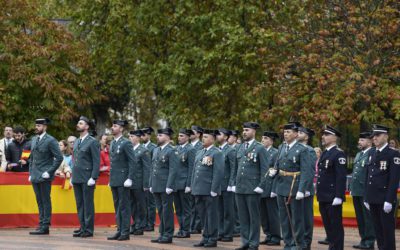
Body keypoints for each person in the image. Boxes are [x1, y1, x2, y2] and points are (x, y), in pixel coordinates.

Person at [268, 122, 312, 250]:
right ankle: (288, 243)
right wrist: (274, 171)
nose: (285, 134)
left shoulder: (302, 149)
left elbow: (306, 171)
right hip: (281, 186)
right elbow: (278, 163)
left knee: (297, 219)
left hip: (294, 186)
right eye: (285, 132)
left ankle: (299, 244)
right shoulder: (282, 147)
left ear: (296, 134)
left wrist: (301, 190)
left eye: (288, 132)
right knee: (284, 218)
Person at [364, 124, 400, 250]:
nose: (374, 138)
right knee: (378, 231)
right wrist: (366, 197)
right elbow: (369, 176)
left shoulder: (393, 154)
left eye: (378, 135)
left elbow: (394, 179)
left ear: (386, 136)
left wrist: (389, 200)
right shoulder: (372, 152)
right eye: (373, 136)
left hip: (385, 198)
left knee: (387, 231)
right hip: (373, 197)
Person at [234, 122, 268, 250]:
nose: (244, 132)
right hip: (240, 187)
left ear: (254, 132)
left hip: (253, 188)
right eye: (243, 130)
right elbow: (236, 168)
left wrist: (261, 185)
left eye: (247, 130)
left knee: (254, 217)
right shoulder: (240, 147)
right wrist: (233, 183)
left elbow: (265, 169)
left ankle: (254, 243)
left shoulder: (260, 148)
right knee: (243, 217)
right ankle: (245, 242)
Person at [28, 118, 63, 235]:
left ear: (45, 127)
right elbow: (31, 158)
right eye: (36, 125)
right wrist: (30, 172)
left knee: (45, 200)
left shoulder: (51, 140)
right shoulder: (34, 139)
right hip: (35, 174)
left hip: (44, 175)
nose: (36, 127)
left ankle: (45, 225)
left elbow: (59, 158)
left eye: (39, 126)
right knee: (39, 200)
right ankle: (41, 222)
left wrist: (50, 171)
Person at [316, 125, 347, 250]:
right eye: (323, 134)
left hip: (332, 196)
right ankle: (332, 247)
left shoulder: (338, 154)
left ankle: (337, 248)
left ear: (334, 138)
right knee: (328, 226)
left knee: (335, 226)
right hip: (323, 195)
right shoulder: (325, 153)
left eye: (326, 134)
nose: (323, 137)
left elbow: (341, 177)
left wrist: (339, 196)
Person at [192, 129, 224, 248]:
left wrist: (214, 189)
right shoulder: (200, 152)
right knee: (203, 215)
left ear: (212, 139)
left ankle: (212, 238)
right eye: (203, 137)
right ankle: (205, 237)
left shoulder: (217, 153)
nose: (203, 139)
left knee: (211, 215)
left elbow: (219, 172)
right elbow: (194, 172)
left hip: (209, 190)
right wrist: (193, 187)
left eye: (206, 137)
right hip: (199, 189)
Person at [71, 116, 100, 238]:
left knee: (88, 204)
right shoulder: (77, 141)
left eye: (81, 123)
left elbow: (96, 161)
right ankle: (82, 226)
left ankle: (88, 229)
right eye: (78, 123)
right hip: (77, 177)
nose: (78, 124)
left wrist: (93, 177)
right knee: (80, 204)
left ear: (87, 127)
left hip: (87, 177)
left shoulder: (92, 141)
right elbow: (75, 160)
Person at [107, 120, 135, 241]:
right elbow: (113, 163)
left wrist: (129, 178)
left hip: (123, 179)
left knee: (124, 206)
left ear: (121, 129)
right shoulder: (113, 143)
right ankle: (119, 230)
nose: (112, 128)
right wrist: (111, 178)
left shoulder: (126, 143)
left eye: (115, 126)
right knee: (117, 206)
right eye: (112, 125)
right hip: (115, 179)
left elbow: (132, 161)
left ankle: (125, 231)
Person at [149, 128, 178, 244]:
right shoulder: (156, 150)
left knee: (167, 210)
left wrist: (170, 185)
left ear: (167, 137)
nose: (158, 137)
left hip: (166, 185)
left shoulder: (171, 151)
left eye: (160, 135)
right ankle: (162, 233)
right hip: (156, 184)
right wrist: (151, 183)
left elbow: (173, 169)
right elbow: (152, 168)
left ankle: (168, 234)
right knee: (160, 210)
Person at [350, 132, 375, 249]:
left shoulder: (373, 153)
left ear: (370, 141)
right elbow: (356, 172)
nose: (359, 142)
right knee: (360, 217)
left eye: (362, 140)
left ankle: (369, 241)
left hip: (366, 191)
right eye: (359, 140)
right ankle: (363, 239)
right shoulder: (359, 154)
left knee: (368, 218)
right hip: (357, 190)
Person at [259, 131, 281, 246]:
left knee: (272, 214)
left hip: (270, 187)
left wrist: (274, 189)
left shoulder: (275, 152)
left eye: (265, 138)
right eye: (262, 138)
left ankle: (276, 237)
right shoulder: (260, 151)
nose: (262, 140)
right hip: (261, 188)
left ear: (271, 141)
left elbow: (276, 172)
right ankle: (268, 235)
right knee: (263, 215)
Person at [173, 128, 196, 238]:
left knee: (186, 209)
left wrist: (189, 184)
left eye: (182, 136)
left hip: (184, 182)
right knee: (178, 208)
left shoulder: (190, 149)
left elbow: (192, 167)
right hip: (176, 183)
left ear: (187, 137)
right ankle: (181, 229)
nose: (179, 138)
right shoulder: (176, 148)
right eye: (179, 136)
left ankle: (186, 230)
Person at [297, 126, 317, 250]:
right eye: (297, 132)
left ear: (307, 136)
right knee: (297, 217)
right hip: (295, 187)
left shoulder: (309, 150)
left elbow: (309, 171)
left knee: (306, 217)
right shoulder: (296, 149)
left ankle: (306, 242)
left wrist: (306, 189)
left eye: (301, 132)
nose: (298, 134)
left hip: (305, 189)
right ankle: (298, 240)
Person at [128, 129, 151, 236]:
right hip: (130, 182)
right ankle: (135, 223)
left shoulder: (143, 150)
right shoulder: (129, 149)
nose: (130, 138)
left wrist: (146, 184)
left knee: (141, 205)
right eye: (129, 137)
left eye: (132, 137)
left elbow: (147, 168)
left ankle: (140, 225)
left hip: (139, 182)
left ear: (137, 138)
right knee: (132, 204)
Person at [216, 128, 236, 242]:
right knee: (219, 210)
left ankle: (228, 234)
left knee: (228, 211)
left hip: (227, 184)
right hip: (218, 185)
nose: (217, 136)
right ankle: (221, 232)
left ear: (226, 137)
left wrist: (231, 183)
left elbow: (233, 168)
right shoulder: (217, 150)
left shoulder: (230, 150)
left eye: (220, 134)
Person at [140, 126, 157, 232]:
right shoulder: (140, 147)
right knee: (142, 203)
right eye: (141, 135)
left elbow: (153, 165)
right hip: (141, 178)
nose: (142, 137)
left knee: (151, 203)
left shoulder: (153, 147)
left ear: (149, 135)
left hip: (150, 178)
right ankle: (143, 222)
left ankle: (150, 223)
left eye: (144, 135)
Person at [190, 125, 204, 234]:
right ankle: (192, 225)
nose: (190, 133)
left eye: (192, 132)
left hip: (199, 179)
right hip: (191, 178)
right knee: (191, 205)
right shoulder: (188, 146)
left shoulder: (201, 146)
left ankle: (197, 226)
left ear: (198, 134)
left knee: (197, 205)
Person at [228, 129, 241, 237]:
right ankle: (234, 227)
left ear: (235, 138)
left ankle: (237, 227)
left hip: (236, 182)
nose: (229, 138)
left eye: (231, 136)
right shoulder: (229, 149)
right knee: (232, 206)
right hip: (231, 182)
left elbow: (234, 168)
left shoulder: (237, 148)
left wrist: (233, 182)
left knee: (236, 207)